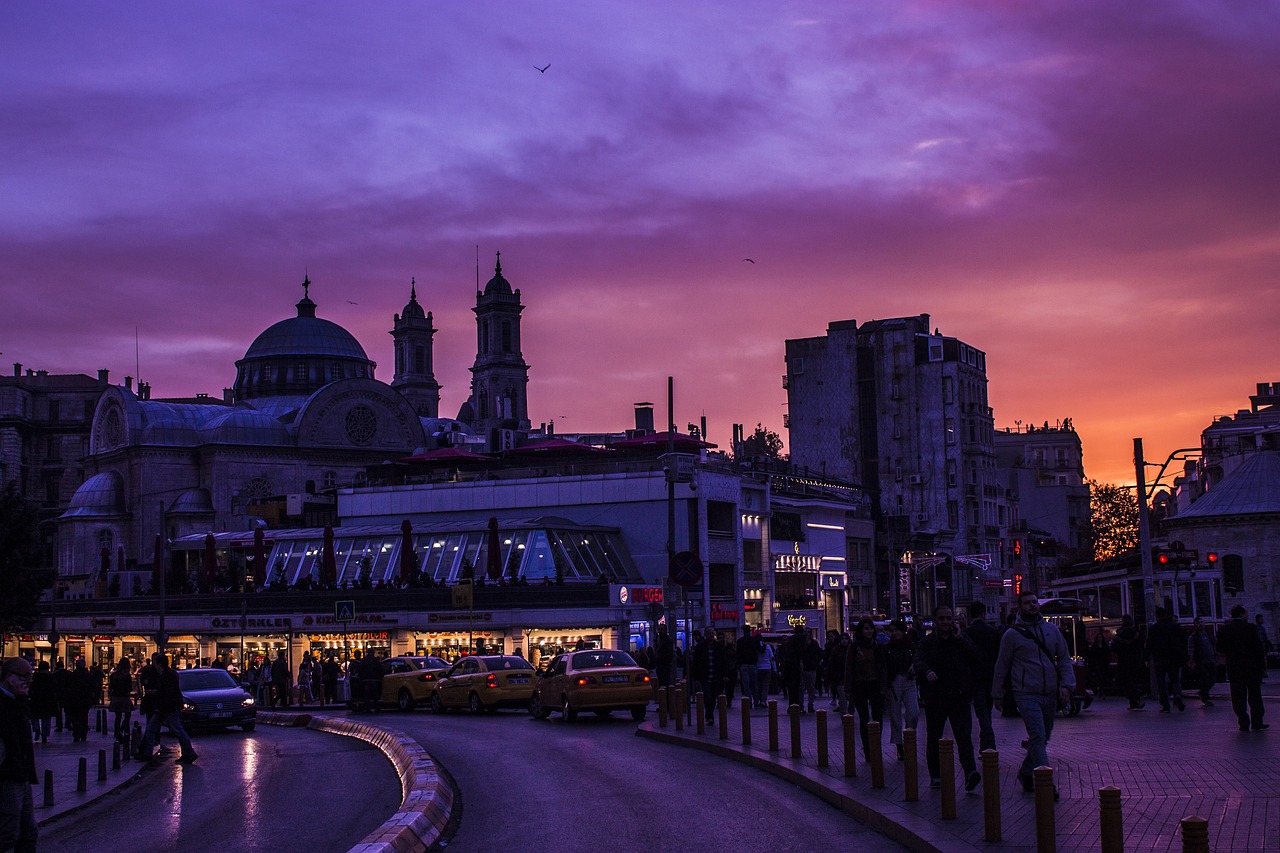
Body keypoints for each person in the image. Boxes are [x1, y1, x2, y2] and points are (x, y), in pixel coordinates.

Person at [992, 592, 1075, 798]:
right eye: (1027, 603)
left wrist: (1067, 686)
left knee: (1044, 736)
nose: (1032, 606)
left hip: (1049, 692)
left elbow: (1064, 659)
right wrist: (997, 693)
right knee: (1037, 735)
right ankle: (1046, 784)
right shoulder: (1012, 635)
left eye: (1034, 602)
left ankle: (1027, 771)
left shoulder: (1051, 630)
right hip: (1026, 692)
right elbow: (1002, 665)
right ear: (1019, 607)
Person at [916, 606, 982, 792]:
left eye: (948, 618)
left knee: (964, 737)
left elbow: (976, 658)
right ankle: (936, 775)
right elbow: (919, 660)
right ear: (936, 621)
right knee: (934, 737)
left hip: (958, 696)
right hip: (935, 697)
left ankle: (970, 772)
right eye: (941, 618)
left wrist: (961, 639)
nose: (945, 622)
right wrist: (927, 671)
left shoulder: (960, 639)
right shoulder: (928, 642)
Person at [0, 657, 38, 853]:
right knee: (8, 833)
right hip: (8, 776)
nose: (28, 681)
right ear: (8, 677)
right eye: (24, 677)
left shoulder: (19, 701)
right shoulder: (4, 704)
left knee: (29, 832)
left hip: (21, 774)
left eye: (30, 677)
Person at [1217, 604, 1267, 732]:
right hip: (1251, 667)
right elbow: (1259, 648)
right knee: (1255, 694)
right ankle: (1257, 721)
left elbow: (1219, 648)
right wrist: (1262, 666)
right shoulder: (1250, 627)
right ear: (1241, 614)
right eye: (1246, 613)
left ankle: (1243, 722)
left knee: (1238, 695)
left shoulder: (1224, 629)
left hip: (1234, 667)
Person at [844, 617, 885, 760]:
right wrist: (848, 689)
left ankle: (876, 744)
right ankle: (867, 749)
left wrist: (883, 686)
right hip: (859, 685)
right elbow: (849, 667)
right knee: (864, 718)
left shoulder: (877, 645)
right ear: (861, 631)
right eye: (866, 628)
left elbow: (882, 667)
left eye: (871, 628)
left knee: (878, 716)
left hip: (875, 684)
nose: (869, 631)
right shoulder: (854, 647)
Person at [965, 600, 1001, 753]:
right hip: (990, 677)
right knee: (987, 710)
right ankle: (986, 744)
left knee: (982, 713)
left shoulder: (966, 633)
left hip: (975, 678)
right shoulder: (993, 632)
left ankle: (988, 744)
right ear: (983, 613)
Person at [881, 620, 919, 761]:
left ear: (903, 631)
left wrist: (915, 668)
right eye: (892, 630)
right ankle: (899, 746)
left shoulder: (911, 646)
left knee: (914, 713)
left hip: (909, 681)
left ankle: (909, 738)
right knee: (895, 717)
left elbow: (917, 660)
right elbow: (884, 668)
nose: (895, 633)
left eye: (897, 630)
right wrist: (885, 688)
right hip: (894, 683)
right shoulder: (887, 648)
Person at [153, 654, 198, 764]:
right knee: (175, 729)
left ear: (159, 663)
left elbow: (167, 693)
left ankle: (190, 753)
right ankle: (187, 753)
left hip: (168, 707)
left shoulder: (166, 675)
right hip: (169, 706)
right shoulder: (170, 674)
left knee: (178, 730)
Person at [1146, 607, 1187, 713]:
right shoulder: (1175, 627)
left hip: (1159, 658)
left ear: (1157, 615)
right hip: (1173, 658)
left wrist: (1146, 658)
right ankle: (1177, 694)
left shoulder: (1153, 628)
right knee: (1175, 679)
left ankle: (1165, 705)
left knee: (1161, 682)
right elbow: (1182, 641)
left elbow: (1149, 644)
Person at [691, 627, 726, 723]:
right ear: (705, 635)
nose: (710, 635)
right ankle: (710, 716)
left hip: (715, 675)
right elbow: (696, 663)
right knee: (707, 696)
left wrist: (724, 674)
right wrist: (696, 678)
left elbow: (723, 661)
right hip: (705, 676)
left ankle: (709, 714)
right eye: (708, 633)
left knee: (714, 697)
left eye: (712, 633)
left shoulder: (718, 646)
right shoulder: (700, 647)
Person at [1112, 614, 1147, 710]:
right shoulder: (1137, 632)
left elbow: (1114, 648)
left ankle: (1136, 697)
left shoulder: (1119, 634)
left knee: (1123, 681)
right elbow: (1142, 645)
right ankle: (1135, 701)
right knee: (1134, 680)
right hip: (1136, 660)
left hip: (1123, 661)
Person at [1186, 618, 1217, 707]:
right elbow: (1190, 649)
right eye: (1197, 623)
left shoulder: (1209, 633)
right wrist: (1191, 661)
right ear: (1195, 625)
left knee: (1213, 679)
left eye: (1201, 622)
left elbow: (1213, 645)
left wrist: (1216, 656)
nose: (1200, 624)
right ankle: (1205, 698)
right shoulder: (1193, 636)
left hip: (1211, 659)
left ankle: (1202, 692)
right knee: (1205, 679)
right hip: (1201, 661)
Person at [64, 656, 96, 742]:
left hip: (74, 699)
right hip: (85, 699)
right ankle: (83, 734)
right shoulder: (88, 676)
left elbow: (68, 687)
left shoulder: (72, 675)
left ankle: (76, 733)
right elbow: (92, 687)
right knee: (84, 716)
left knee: (75, 717)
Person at [27, 661, 57, 745]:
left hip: (36, 699)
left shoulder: (35, 676)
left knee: (34, 716)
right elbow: (55, 688)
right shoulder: (51, 677)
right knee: (46, 719)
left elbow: (30, 687)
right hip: (48, 700)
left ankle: (36, 729)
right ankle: (44, 736)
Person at [108, 657, 135, 744]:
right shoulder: (127, 676)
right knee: (127, 715)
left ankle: (117, 733)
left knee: (118, 716)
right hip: (124, 697)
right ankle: (124, 730)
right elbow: (129, 688)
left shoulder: (114, 675)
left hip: (116, 697)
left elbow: (111, 687)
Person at [781, 626, 808, 710]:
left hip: (789, 665)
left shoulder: (792, 640)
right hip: (796, 665)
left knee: (791, 687)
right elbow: (802, 652)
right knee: (797, 686)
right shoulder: (802, 639)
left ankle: (792, 705)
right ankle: (796, 705)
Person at [822, 629, 848, 715]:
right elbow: (830, 663)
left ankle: (848, 711)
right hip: (839, 676)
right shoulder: (835, 650)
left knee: (849, 697)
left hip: (849, 676)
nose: (844, 641)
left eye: (846, 639)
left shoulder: (851, 649)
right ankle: (844, 712)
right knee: (842, 695)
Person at [735, 626, 761, 709]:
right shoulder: (754, 640)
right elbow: (760, 650)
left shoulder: (740, 641)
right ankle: (756, 700)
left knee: (746, 684)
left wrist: (738, 664)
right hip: (753, 664)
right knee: (754, 683)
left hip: (744, 664)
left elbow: (738, 654)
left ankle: (748, 701)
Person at [801, 632, 823, 713]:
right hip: (803, 668)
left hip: (811, 668)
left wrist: (815, 663)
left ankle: (810, 704)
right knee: (801, 688)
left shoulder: (814, 644)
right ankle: (801, 705)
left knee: (811, 688)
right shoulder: (801, 644)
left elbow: (820, 654)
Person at [755, 633, 775, 707]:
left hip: (758, 668)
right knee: (765, 686)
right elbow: (772, 658)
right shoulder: (767, 646)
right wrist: (775, 669)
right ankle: (763, 700)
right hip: (767, 667)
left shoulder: (755, 647)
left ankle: (758, 699)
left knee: (759, 685)